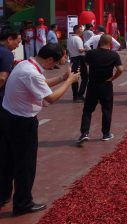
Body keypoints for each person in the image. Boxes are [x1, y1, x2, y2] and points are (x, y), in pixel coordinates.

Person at [0, 44, 79, 216]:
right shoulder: (32, 73)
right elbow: (50, 98)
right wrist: (68, 81)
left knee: (8, 160)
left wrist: (61, 78)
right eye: (56, 63)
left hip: (8, 116)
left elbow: (39, 84)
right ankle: (23, 203)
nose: (55, 66)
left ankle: (3, 195)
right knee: (25, 164)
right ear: (49, 59)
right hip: (21, 123)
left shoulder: (26, 64)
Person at [77, 35, 123, 145]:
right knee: (107, 109)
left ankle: (84, 133)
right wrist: (113, 78)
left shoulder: (91, 53)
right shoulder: (114, 55)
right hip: (106, 85)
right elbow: (120, 69)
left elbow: (87, 63)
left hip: (93, 84)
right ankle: (106, 134)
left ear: (99, 42)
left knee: (88, 110)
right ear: (110, 43)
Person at [0, 29, 21, 104]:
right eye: (17, 42)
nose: (18, 46)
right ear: (9, 39)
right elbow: (2, 78)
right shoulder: (7, 53)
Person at [67, 25, 88, 102]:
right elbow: (80, 50)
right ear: (76, 30)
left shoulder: (69, 38)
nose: (82, 31)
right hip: (80, 59)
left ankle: (75, 96)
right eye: (80, 29)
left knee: (75, 78)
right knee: (85, 78)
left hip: (73, 59)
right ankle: (80, 95)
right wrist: (87, 49)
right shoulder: (78, 38)